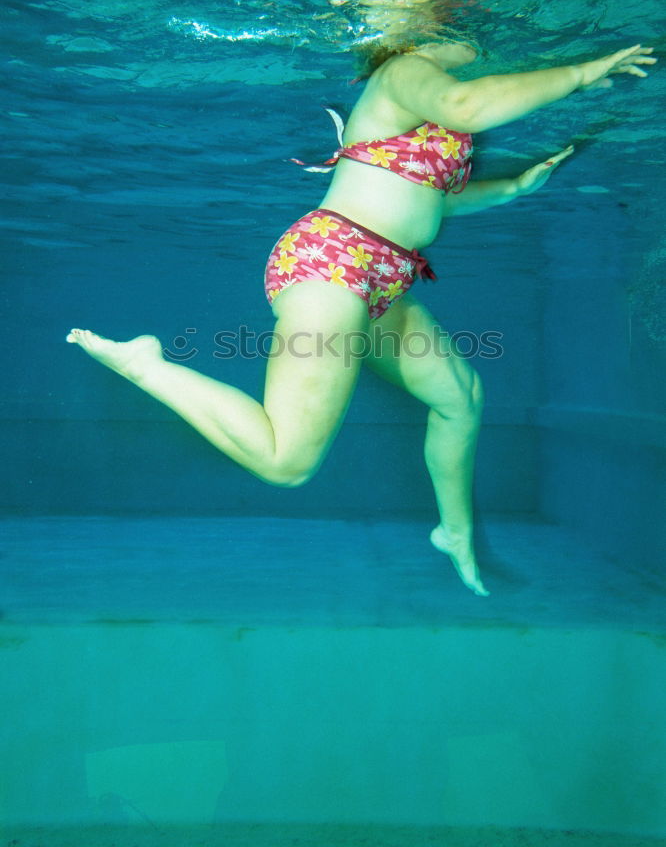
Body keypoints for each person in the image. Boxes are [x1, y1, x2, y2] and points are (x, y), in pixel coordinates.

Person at [67, 40, 655, 596]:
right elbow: (466, 106)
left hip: (382, 275)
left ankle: (453, 533)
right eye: (460, 20)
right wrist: (581, 73)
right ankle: (146, 365)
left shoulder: (423, 97)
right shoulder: (400, 73)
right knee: (286, 462)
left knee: (460, 398)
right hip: (334, 259)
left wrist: (511, 190)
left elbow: (429, 193)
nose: (475, 38)